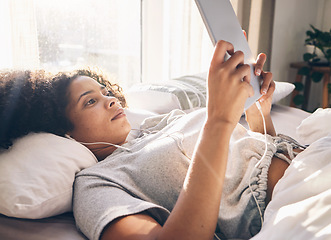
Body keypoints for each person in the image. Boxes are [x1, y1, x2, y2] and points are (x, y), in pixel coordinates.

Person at [0, 40, 303, 240]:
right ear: (62, 130)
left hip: (307, 161)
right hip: (298, 203)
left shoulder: (159, 124)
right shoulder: (96, 185)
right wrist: (219, 120)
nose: (110, 101)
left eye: (105, 92)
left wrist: (257, 115)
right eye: (89, 102)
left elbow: (253, 165)